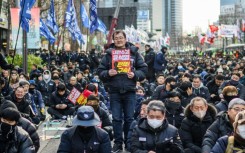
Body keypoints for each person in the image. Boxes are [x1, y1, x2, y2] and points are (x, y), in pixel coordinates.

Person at [97, 30, 148, 152]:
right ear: (113, 40)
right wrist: (108, 73)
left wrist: (135, 74)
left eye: (121, 38)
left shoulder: (134, 53)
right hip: (114, 91)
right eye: (116, 38)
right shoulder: (108, 54)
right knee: (116, 118)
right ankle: (118, 143)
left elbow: (144, 69)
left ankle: (129, 142)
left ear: (125, 39)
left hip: (130, 91)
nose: (119, 40)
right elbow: (100, 71)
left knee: (129, 118)